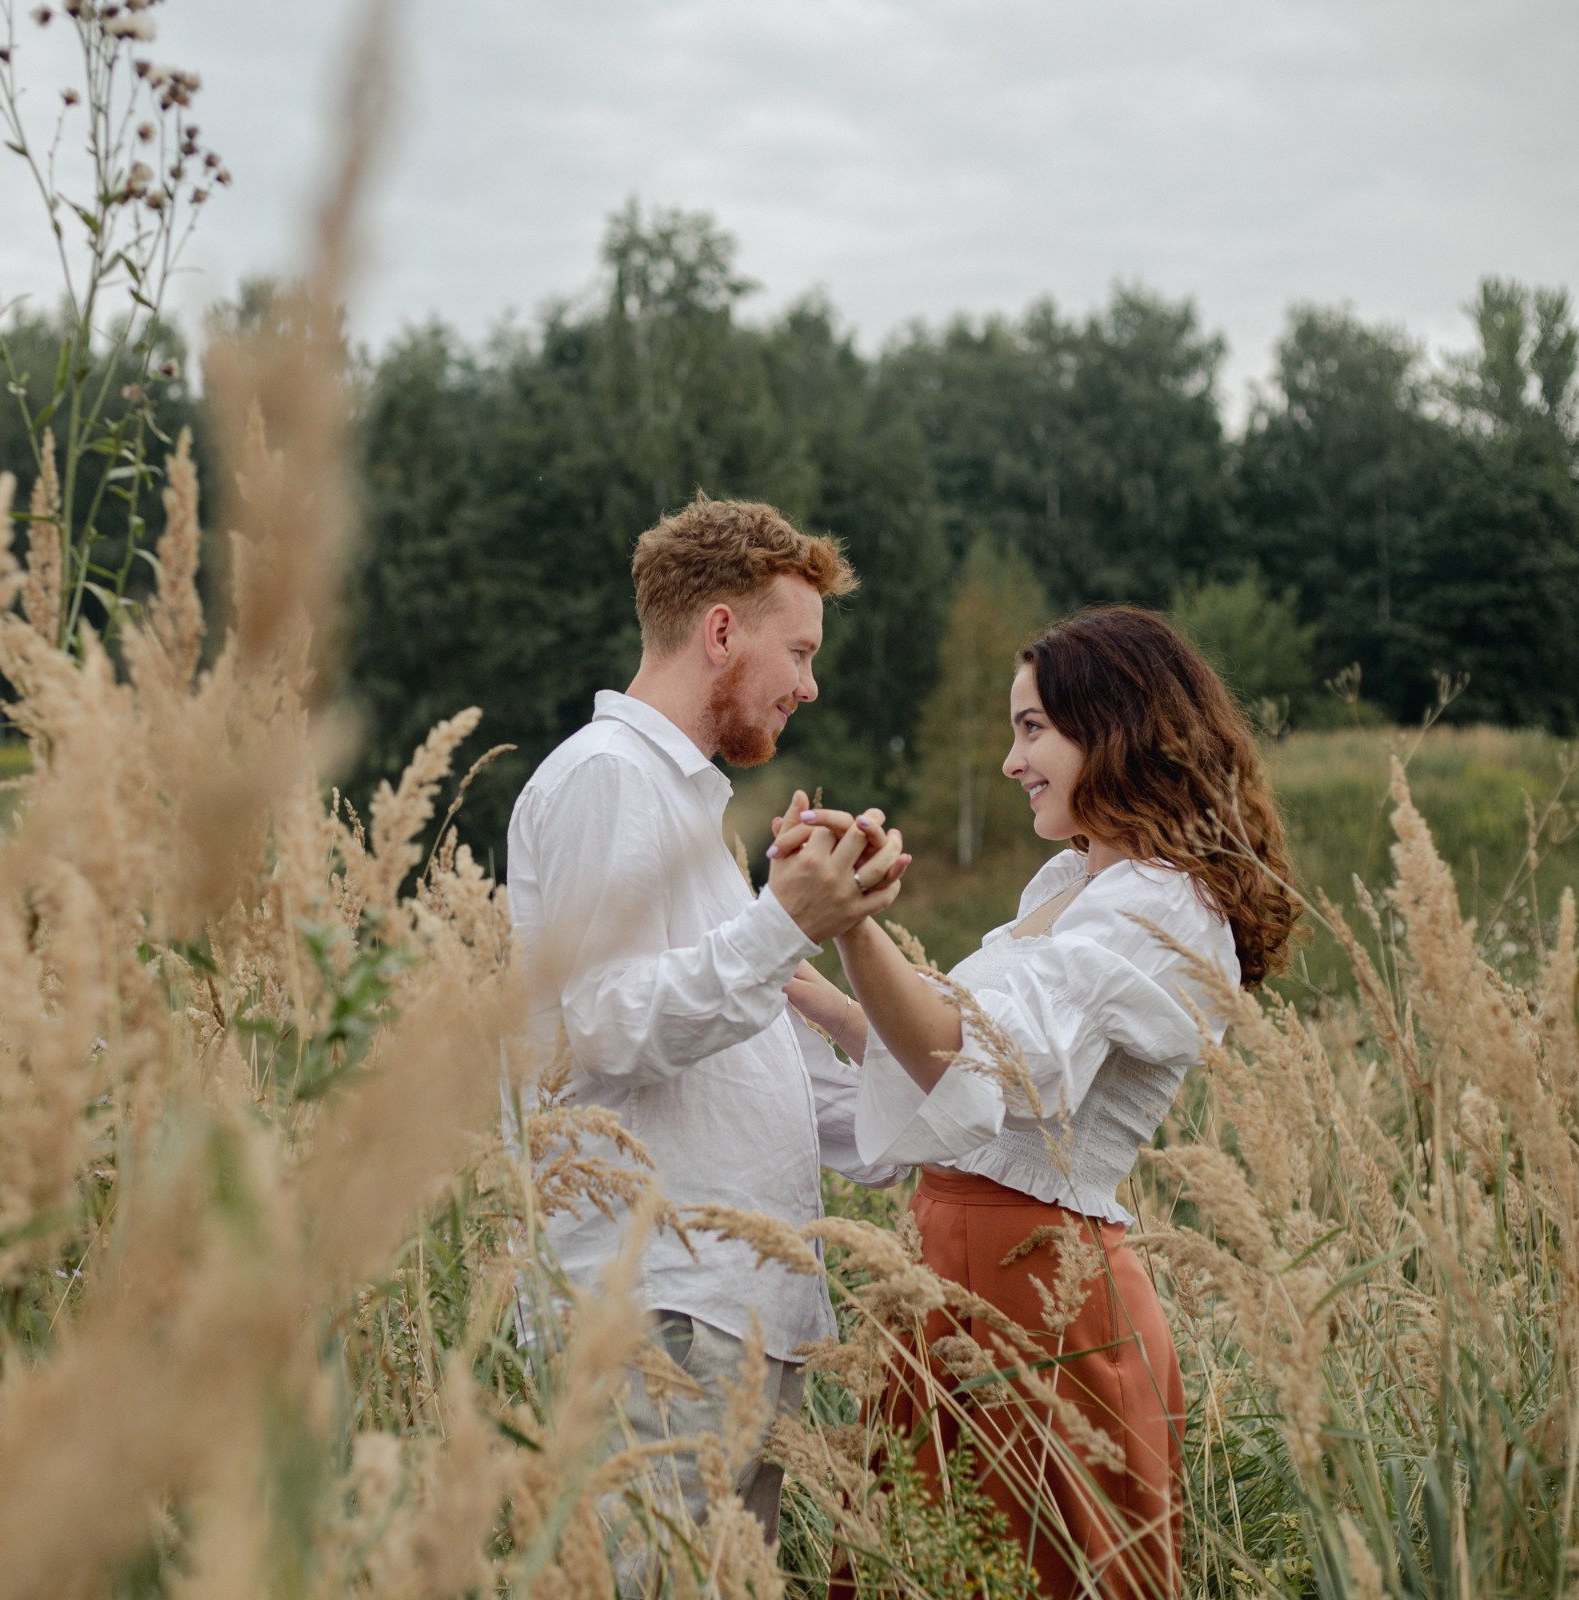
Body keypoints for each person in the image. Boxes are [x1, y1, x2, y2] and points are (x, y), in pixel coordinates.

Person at [778, 605, 1299, 1598]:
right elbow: (953, 1076)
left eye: (1032, 730)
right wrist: (810, 985)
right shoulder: (1072, 880)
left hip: (1039, 1289)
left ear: (1118, 728)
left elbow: (987, 1060)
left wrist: (853, 925)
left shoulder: (1160, 902)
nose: (1011, 760)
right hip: (962, 1274)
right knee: (924, 1571)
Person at [506, 496, 912, 1549]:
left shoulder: (690, 813)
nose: (811, 684)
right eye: (800, 649)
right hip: (662, 1316)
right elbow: (601, 1023)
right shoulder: (609, 779)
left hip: (721, 1315)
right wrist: (785, 922)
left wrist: (929, 1094)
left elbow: (736, 1070)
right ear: (722, 632)